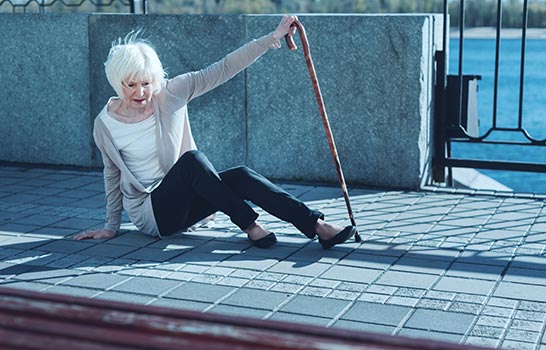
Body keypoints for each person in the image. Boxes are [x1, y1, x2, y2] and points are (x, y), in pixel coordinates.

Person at [74, 15, 356, 249]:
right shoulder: (106, 124)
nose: (141, 92)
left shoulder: (170, 93)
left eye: (146, 83)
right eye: (131, 85)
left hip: (191, 201)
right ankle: (250, 225)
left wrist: (273, 37)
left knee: (241, 176)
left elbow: (223, 68)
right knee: (192, 162)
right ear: (117, 81)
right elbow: (112, 175)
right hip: (155, 215)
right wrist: (111, 226)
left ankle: (317, 226)